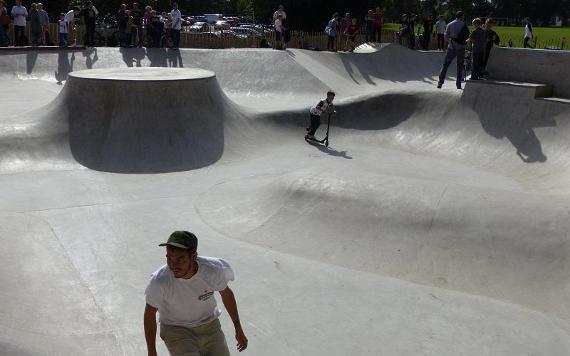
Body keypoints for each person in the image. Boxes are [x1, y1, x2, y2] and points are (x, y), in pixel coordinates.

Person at [144, 231, 248, 356]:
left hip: (210, 326)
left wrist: (238, 328)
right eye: (169, 258)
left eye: (179, 259)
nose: (173, 265)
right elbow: (150, 313)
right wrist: (151, 351)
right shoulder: (159, 281)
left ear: (193, 256)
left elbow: (226, 294)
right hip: (176, 329)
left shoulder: (213, 271)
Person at [437, 11, 470, 89]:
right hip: (461, 48)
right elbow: (467, 36)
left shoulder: (450, 24)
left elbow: (445, 36)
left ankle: (440, 82)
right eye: (463, 16)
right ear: (461, 16)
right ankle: (458, 85)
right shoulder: (463, 24)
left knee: (445, 65)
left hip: (451, 48)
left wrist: (451, 42)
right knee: (459, 67)